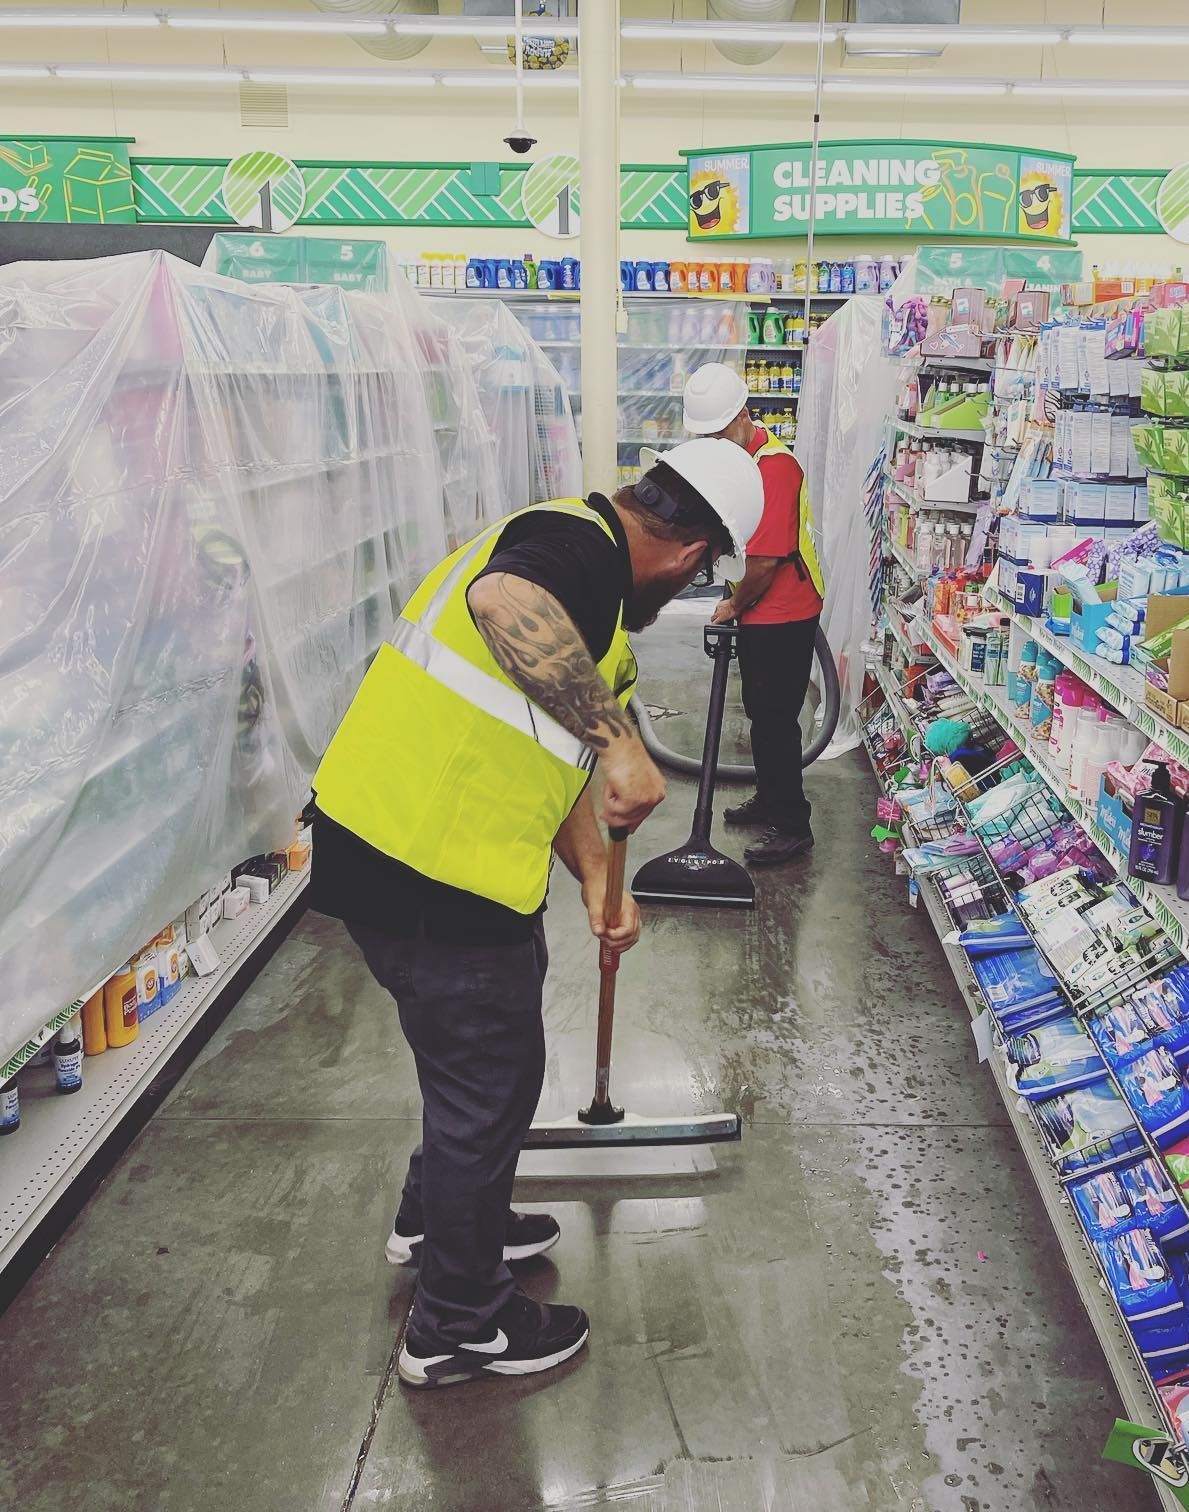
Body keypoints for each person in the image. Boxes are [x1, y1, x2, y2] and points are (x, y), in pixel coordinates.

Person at [308, 441, 763, 1390]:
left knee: (479, 1068)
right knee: (490, 1079)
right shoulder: (574, 550)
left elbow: (544, 753)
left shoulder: (587, 587)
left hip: (416, 850)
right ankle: (457, 1326)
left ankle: (438, 1219)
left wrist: (601, 880)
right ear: (691, 557)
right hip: (426, 865)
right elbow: (503, 605)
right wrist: (620, 745)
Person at [682, 362, 825, 866]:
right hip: (761, 606)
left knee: (775, 721)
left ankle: (792, 825)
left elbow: (764, 563)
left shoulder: (774, 468)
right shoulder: (739, 461)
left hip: (783, 610)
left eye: (719, 432)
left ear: (743, 415)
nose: (714, 443)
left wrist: (733, 604)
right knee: (760, 712)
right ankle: (769, 798)